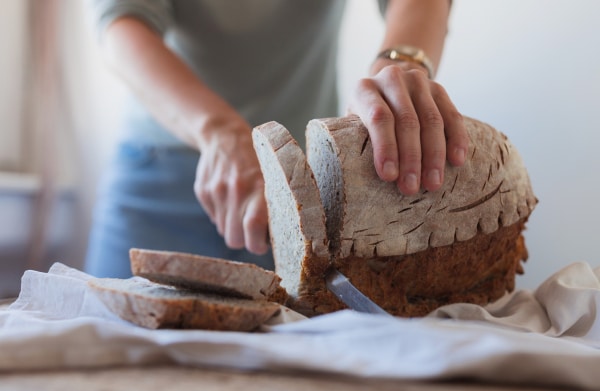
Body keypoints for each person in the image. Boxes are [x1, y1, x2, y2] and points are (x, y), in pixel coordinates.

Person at [84, 0, 468, 278]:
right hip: (158, 177)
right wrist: (219, 131)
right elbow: (121, 23)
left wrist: (399, 66)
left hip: (303, 189)